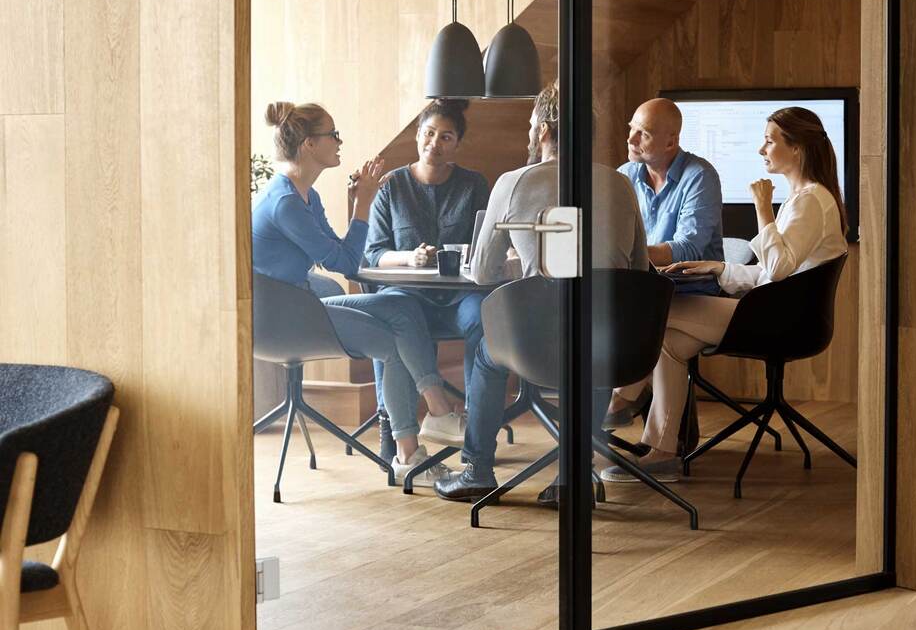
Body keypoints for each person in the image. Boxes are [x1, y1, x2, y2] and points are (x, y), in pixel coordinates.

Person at [601, 107, 849, 483]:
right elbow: (770, 272)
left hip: (782, 320)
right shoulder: (806, 198)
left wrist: (763, 209)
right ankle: (663, 452)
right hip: (775, 310)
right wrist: (719, 268)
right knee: (669, 340)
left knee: (658, 313)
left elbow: (779, 268)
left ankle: (620, 399)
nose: (761, 149)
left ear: (797, 149)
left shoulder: (810, 200)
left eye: (770, 140)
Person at [434, 82, 650, 502]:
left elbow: (481, 273)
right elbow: (637, 271)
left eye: (532, 126)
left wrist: (524, 263)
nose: (528, 134)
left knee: (487, 349)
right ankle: (575, 471)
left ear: (547, 130)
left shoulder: (513, 182)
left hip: (538, 344)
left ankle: (477, 470)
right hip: (617, 344)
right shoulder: (621, 186)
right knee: (597, 336)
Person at [250, 101, 461, 486]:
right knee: (392, 341)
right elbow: (346, 264)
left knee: (401, 304)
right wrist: (364, 203)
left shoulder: (305, 197)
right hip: (279, 319)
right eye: (333, 134)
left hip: (300, 301)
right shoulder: (286, 203)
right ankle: (412, 450)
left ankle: (437, 414)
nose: (339, 141)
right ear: (310, 144)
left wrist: (359, 209)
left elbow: (346, 253)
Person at [361, 98, 490, 473]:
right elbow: (374, 254)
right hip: (407, 295)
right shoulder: (392, 187)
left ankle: (475, 429)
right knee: (398, 319)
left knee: (483, 320)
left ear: (456, 145)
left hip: (459, 295)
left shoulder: (474, 185)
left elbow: (485, 245)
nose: (435, 142)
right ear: (417, 135)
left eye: (445, 136)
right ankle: (414, 431)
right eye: (429, 133)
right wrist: (410, 258)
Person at [618, 98, 723, 274]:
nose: (631, 139)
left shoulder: (700, 176)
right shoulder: (625, 174)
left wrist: (627, 255)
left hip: (691, 288)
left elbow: (688, 249)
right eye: (631, 128)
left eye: (643, 134)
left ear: (670, 143)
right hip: (644, 281)